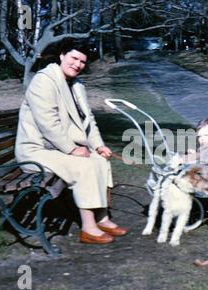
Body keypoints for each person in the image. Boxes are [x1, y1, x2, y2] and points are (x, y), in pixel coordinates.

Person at [15, 38, 128, 245]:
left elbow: (88, 120)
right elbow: (48, 123)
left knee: (100, 160)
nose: (77, 64)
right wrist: (72, 149)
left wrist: (99, 145)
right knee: (84, 165)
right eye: (74, 58)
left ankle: (102, 218)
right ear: (61, 56)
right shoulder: (44, 80)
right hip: (37, 149)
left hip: (56, 149)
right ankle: (88, 228)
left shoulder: (76, 85)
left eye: (82, 62)